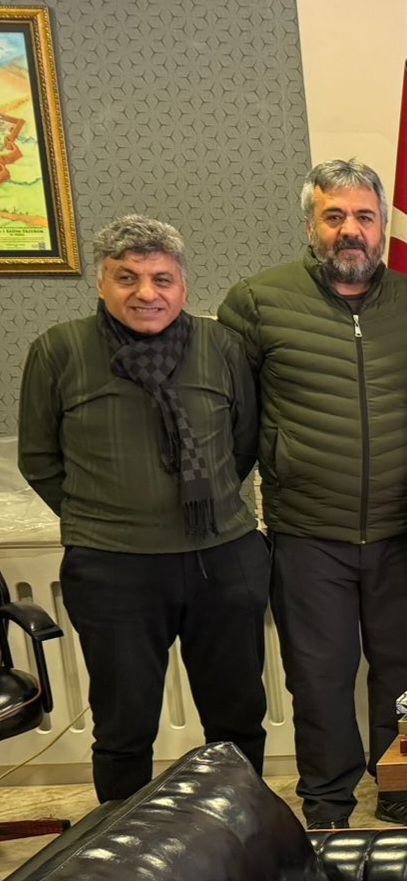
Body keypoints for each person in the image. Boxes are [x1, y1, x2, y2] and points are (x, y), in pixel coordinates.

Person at [219, 159, 407, 828]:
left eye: (364, 217)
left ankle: (402, 790)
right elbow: (236, 422)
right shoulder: (256, 302)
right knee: (318, 677)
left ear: (383, 225)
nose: (351, 230)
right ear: (311, 225)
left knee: (405, 669)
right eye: (334, 216)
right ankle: (327, 804)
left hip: (404, 530)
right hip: (307, 533)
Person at [19, 215, 269, 802]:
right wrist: (105, 517)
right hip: (113, 568)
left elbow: (244, 443)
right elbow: (39, 458)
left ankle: (242, 832)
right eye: (126, 277)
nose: (146, 293)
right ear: (101, 283)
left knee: (237, 717)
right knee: (124, 728)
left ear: (183, 285)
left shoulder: (222, 346)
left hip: (222, 559)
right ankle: (123, 843)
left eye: (162, 279)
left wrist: (205, 504)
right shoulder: (59, 350)